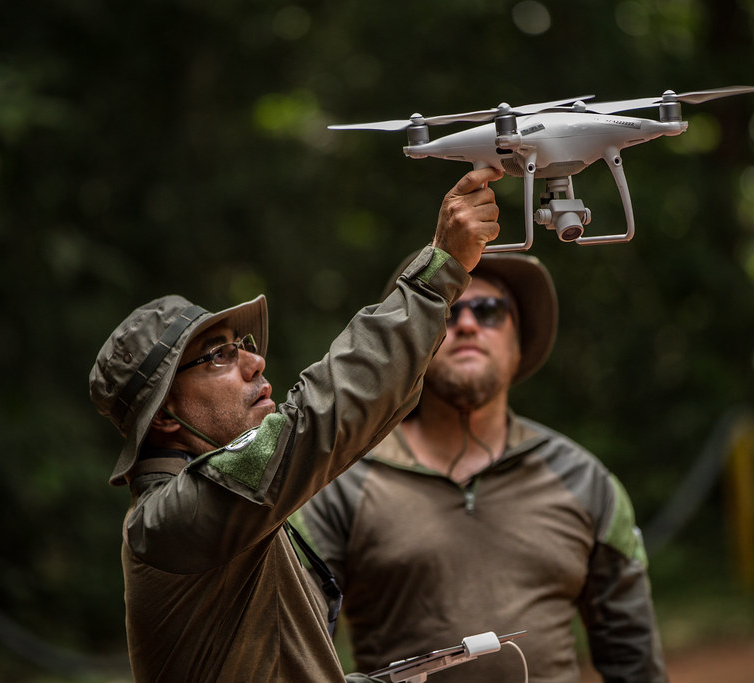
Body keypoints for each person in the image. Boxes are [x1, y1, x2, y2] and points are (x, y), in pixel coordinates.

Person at [87, 167, 504, 682]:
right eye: (218, 356)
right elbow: (317, 419)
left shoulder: (226, 518)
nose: (253, 363)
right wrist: (437, 273)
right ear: (165, 420)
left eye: (243, 346)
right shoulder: (173, 522)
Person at [297, 251, 669, 682]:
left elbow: (636, 664)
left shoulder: (585, 480)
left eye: (490, 310)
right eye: (449, 312)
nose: (468, 324)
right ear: (413, 342)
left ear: (518, 343)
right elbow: (295, 652)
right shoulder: (341, 485)